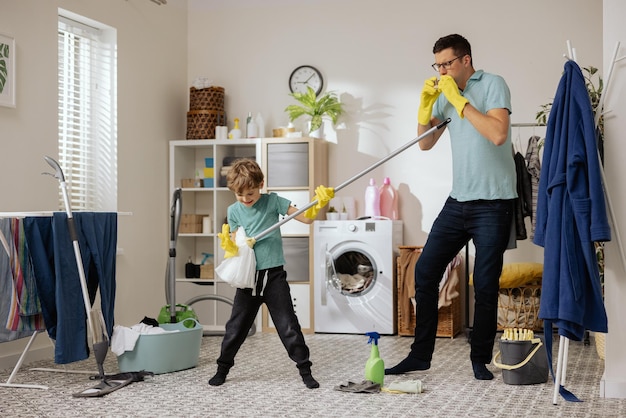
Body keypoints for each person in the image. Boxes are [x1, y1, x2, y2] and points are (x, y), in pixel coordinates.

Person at [385, 34, 517, 380]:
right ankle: (420, 355)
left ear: (466, 61)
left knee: (486, 283)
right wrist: (426, 105)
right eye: (437, 64)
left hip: (494, 202)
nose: (441, 69)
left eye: (447, 63)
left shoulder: (492, 84)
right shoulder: (446, 94)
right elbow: (426, 143)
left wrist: (460, 101)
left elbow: (498, 134)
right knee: (425, 272)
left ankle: (480, 358)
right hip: (459, 200)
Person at [208, 158, 320, 389]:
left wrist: (320, 203)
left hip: (274, 277)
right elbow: (233, 242)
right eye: (240, 195)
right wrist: (233, 244)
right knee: (235, 328)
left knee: (288, 325)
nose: (246, 199)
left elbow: (307, 218)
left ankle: (305, 370)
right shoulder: (234, 210)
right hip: (248, 278)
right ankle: (222, 369)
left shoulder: (273, 202)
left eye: (250, 193)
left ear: (261, 184)